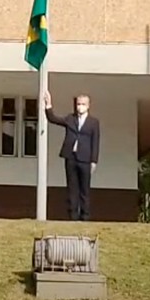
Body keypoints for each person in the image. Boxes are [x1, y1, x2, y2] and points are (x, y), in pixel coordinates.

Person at [44, 91, 100, 221]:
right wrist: (49, 105)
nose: (80, 106)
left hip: (85, 159)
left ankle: (85, 215)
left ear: (88, 105)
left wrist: (94, 160)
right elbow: (53, 119)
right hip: (71, 158)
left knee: (84, 189)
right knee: (72, 188)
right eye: (78, 104)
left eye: (83, 104)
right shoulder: (71, 119)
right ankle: (72, 216)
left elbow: (95, 141)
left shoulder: (93, 122)